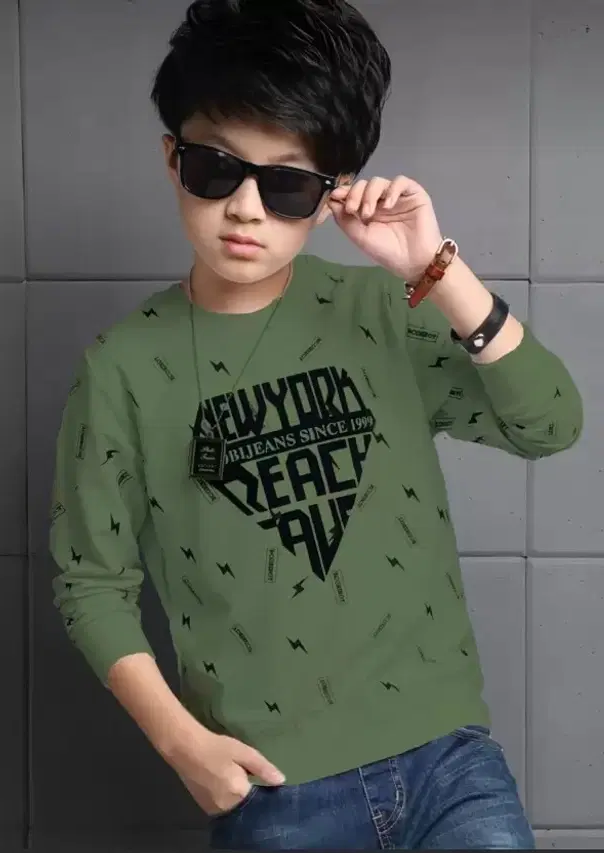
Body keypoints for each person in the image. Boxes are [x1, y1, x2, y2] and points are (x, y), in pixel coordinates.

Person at [49, 0, 582, 848]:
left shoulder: (385, 309)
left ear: (331, 194)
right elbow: (91, 580)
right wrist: (183, 744)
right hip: (276, 789)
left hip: (448, 762)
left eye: (287, 184)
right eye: (217, 169)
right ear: (172, 158)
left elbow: (551, 423)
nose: (246, 209)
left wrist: (437, 269)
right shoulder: (122, 368)